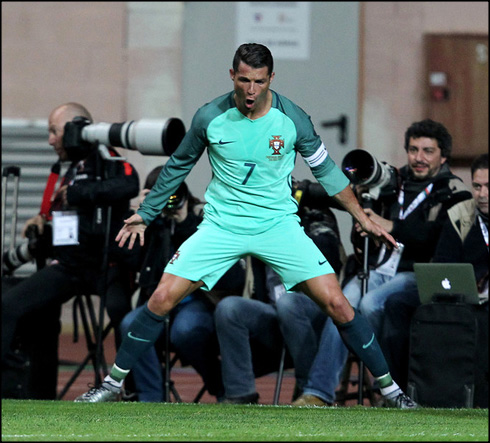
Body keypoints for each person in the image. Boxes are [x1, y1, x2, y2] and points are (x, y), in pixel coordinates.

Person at [75, 43, 417, 408]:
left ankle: (391, 391)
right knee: (160, 299)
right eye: (243, 80)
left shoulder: (293, 119)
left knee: (339, 305)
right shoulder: (210, 116)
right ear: (232, 76)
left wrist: (361, 215)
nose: (250, 90)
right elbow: (178, 165)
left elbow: (327, 172)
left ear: (271, 78)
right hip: (222, 227)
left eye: (258, 81)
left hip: (278, 227)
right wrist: (146, 212)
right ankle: (111, 385)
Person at [292, 118, 472, 407]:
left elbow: (438, 236)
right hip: (374, 270)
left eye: (428, 151)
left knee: (370, 304)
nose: (419, 158)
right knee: (339, 302)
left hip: (414, 274)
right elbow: (355, 214)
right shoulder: (391, 180)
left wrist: (391, 225)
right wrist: (365, 221)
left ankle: (386, 390)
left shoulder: (453, 190)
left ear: (444, 156)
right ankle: (319, 392)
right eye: (413, 150)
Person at [1, 103, 140, 395]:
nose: (50, 140)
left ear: (76, 128)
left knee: (123, 317)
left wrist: (79, 193)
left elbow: (129, 184)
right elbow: (71, 223)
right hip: (70, 266)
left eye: (55, 131)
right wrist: (43, 223)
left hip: (109, 266)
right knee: (9, 304)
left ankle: (134, 393)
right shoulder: (69, 170)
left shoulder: (106, 155)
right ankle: (25, 391)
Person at [119, 168, 244, 402]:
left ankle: (220, 386)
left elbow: (230, 273)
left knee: (186, 331)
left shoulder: (202, 217)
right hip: (158, 300)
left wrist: (185, 222)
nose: (169, 201)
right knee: (130, 324)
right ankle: (150, 398)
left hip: (196, 301)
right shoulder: (148, 223)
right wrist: (141, 217)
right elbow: (130, 263)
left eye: (172, 194)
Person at [215, 201, 343, 404]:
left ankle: (309, 388)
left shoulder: (314, 220)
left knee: (289, 302)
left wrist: (289, 235)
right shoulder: (256, 230)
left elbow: (331, 259)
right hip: (273, 312)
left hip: (314, 311)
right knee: (229, 307)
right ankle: (240, 393)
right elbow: (230, 279)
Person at [380, 153, 488, 394]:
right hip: (462, 294)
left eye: (488, 187)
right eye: (477, 186)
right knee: (396, 303)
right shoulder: (461, 213)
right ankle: (398, 391)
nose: (482, 194)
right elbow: (443, 261)